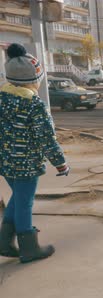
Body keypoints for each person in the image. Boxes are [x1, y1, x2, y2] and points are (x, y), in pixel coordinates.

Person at [0, 44, 69, 263]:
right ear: (35, 79)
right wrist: (61, 164)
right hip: (26, 164)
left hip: (5, 162)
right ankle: (29, 249)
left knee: (17, 198)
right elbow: (47, 138)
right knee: (25, 202)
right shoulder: (34, 104)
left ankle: (4, 242)